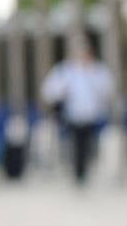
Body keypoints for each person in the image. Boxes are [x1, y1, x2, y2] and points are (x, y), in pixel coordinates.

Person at [41, 36, 115, 186]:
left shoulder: (98, 71)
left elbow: (107, 90)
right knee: (76, 144)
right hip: (72, 115)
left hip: (92, 115)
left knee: (88, 145)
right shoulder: (65, 71)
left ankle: (85, 170)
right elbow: (50, 91)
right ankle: (78, 173)